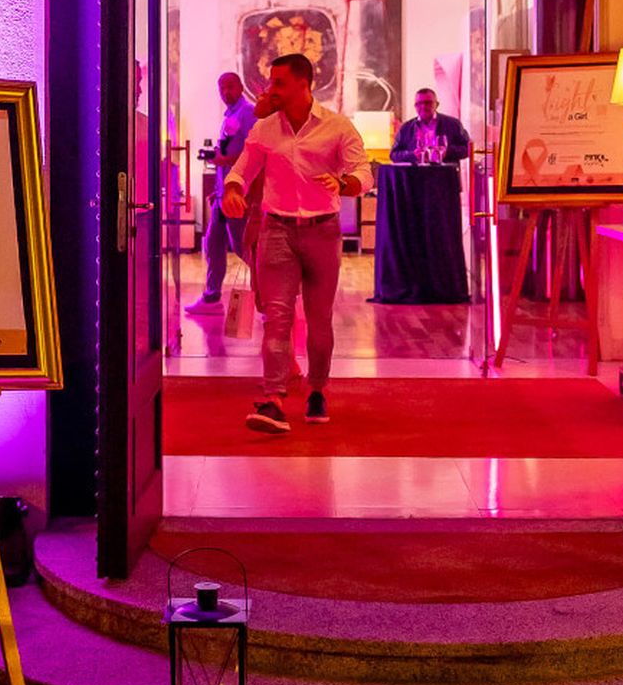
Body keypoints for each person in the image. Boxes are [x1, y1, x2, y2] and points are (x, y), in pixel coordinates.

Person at [221, 51, 372, 435]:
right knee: (277, 317)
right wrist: (233, 190)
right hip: (277, 230)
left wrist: (344, 183)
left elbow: (363, 172)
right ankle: (273, 400)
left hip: (323, 230)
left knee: (320, 321)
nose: (271, 90)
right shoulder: (265, 129)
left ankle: (317, 390)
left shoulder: (337, 127)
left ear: (304, 84)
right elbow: (241, 170)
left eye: (279, 83)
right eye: (271, 82)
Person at [187, 71, 257, 313]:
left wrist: (224, 160)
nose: (226, 92)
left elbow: (253, 153)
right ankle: (211, 298)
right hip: (223, 194)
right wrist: (217, 189)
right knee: (213, 243)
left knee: (242, 246)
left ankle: (272, 292)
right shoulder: (230, 114)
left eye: (230, 86)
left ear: (240, 87)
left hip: (237, 194)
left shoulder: (248, 113)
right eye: (222, 88)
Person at [391, 86, 472, 168]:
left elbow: (468, 149)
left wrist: (447, 152)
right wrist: (413, 155)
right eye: (419, 103)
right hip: (416, 174)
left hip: (445, 174)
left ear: (437, 104)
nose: (423, 106)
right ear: (415, 106)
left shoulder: (453, 124)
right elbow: (394, 155)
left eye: (428, 103)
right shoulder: (406, 128)